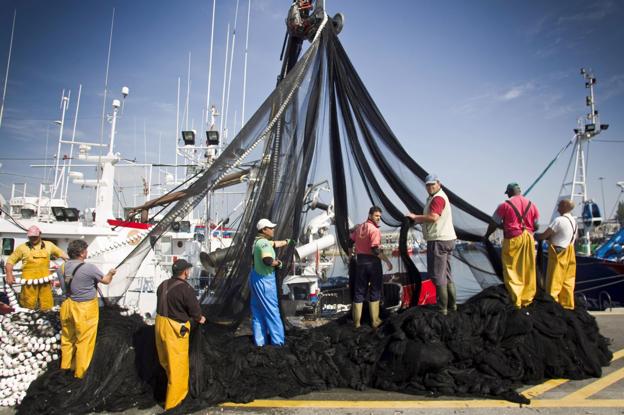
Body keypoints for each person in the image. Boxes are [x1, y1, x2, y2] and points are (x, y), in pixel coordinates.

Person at [57, 239, 116, 379]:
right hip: (84, 308)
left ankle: (66, 367)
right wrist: (111, 273)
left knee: (67, 338)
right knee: (84, 340)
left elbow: (64, 288)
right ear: (82, 253)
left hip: (67, 305)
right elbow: (106, 281)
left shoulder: (62, 268)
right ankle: (80, 373)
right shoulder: (89, 268)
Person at [155, 259, 206, 410]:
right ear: (185, 272)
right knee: (178, 367)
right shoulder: (185, 289)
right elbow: (195, 311)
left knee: (166, 362)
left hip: (159, 325)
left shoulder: (162, 285)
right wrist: (200, 318)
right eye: (188, 270)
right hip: (174, 328)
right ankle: (175, 404)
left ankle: (168, 391)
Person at [407, 174, 457, 315]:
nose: (430, 187)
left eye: (432, 184)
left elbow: (434, 217)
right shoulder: (437, 197)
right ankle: (452, 306)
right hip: (448, 239)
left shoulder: (438, 198)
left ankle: (443, 309)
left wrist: (415, 217)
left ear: (439, 184)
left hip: (439, 240)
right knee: (447, 274)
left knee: (438, 275)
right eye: (428, 185)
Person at [486, 183, 540, 309]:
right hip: (529, 238)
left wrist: (487, 235)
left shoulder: (505, 205)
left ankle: (516, 302)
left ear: (510, 192)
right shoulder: (532, 205)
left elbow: (494, 223)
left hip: (513, 238)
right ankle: (527, 300)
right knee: (528, 269)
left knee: (512, 269)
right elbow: (536, 226)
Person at [249, 218, 293, 346]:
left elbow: (274, 244)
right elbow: (267, 260)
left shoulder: (258, 241)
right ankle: (278, 343)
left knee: (257, 312)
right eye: (271, 228)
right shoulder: (264, 244)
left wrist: (286, 242)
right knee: (272, 312)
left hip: (255, 278)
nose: (273, 229)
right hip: (265, 282)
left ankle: (260, 343)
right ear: (264, 230)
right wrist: (278, 263)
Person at [5, 225, 68, 310]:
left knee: (47, 303)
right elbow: (10, 262)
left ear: (40, 234)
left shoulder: (49, 245)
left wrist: (71, 266)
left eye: (35, 237)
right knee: (28, 303)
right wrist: (9, 274)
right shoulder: (22, 248)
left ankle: (47, 318)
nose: (33, 239)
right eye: (31, 237)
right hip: (28, 282)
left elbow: (64, 256)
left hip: (45, 280)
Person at [350, 206, 393, 328]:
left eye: (379, 216)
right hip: (373, 264)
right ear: (370, 216)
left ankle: (356, 323)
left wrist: (350, 255)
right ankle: (375, 321)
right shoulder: (374, 230)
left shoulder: (359, 228)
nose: (378, 218)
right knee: (375, 290)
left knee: (359, 292)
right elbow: (375, 249)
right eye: (376, 216)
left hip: (360, 263)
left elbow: (350, 240)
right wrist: (387, 261)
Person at [535, 199, 577, 309]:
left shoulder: (559, 220)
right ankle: (568, 306)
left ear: (565, 206)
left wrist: (535, 236)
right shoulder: (573, 221)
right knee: (567, 282)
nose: (557, 207)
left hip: (558, 253)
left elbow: (544, 235)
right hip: (570, 252)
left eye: (559, 205)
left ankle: (552, 307)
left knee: (554, 282)